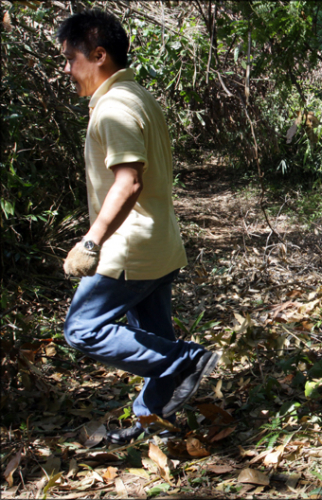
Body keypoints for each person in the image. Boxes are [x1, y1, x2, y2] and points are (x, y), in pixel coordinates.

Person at [57, 9, 220, 444]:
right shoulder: (139, 96)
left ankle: (186, 361)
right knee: (153, 340)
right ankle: (153, 424)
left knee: (83, 329)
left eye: (71, 59)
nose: (66, 70)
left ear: (99, 54)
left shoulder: (113, 108)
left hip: (128, 250)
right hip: (160, 245)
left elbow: (128, 181)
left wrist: (91, 241)